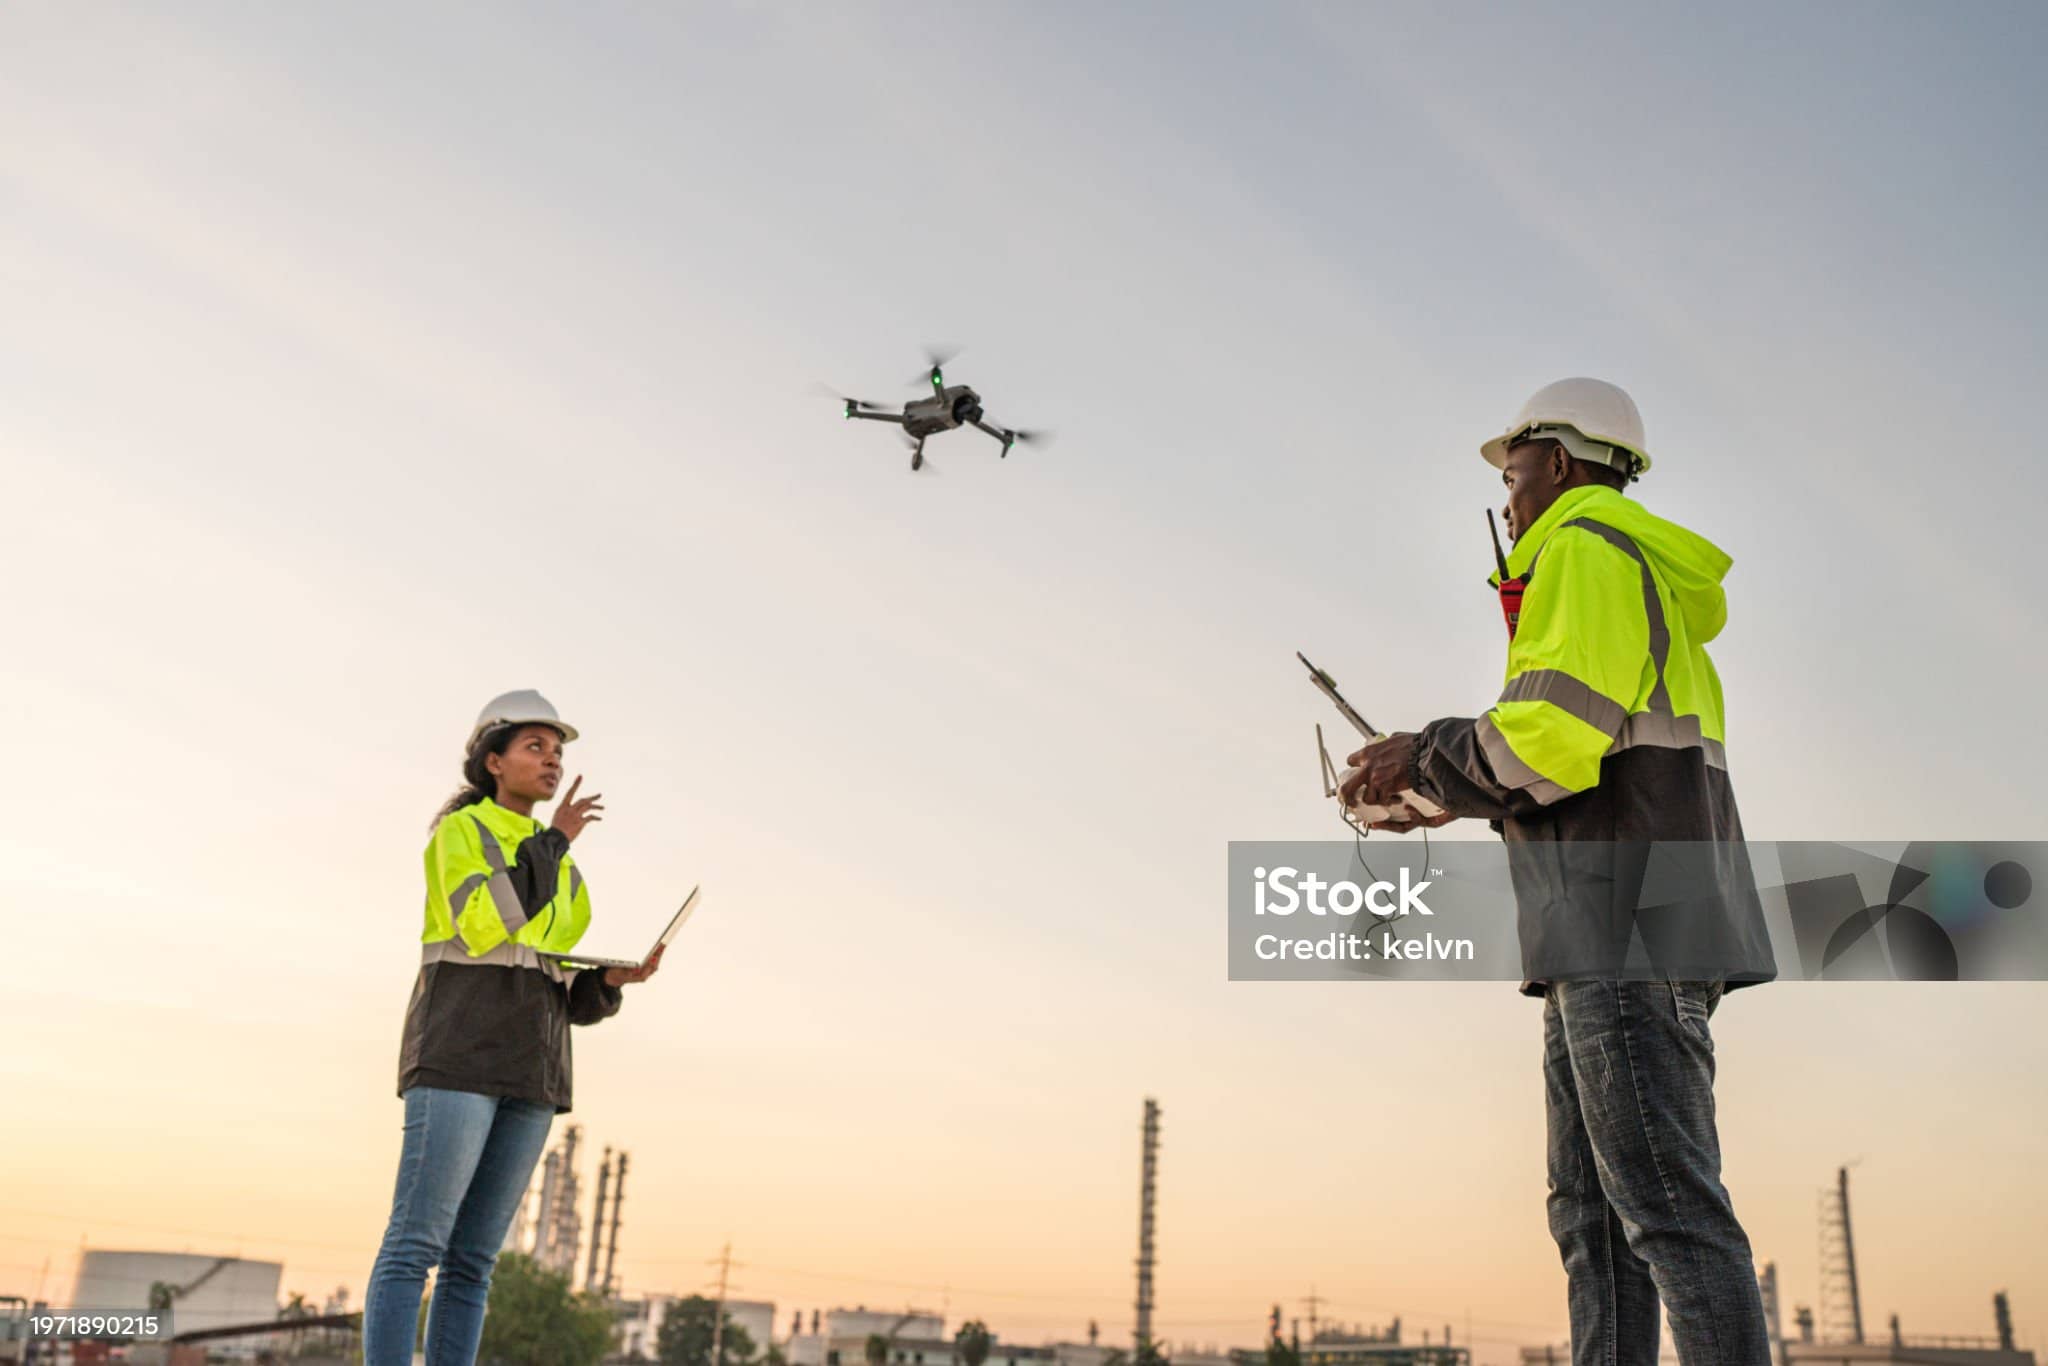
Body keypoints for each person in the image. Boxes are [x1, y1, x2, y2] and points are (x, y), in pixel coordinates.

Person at [1341, 379, 1775, 1364]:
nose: (1504, 490)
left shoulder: (1582, 549)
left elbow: (1551, 738)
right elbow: (1570, 758)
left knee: (1662, 1211)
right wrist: (1445, 792)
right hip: (1607, 922)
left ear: (1562, 461)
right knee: (1595, 1221)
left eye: (1512, 466)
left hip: (1626, 920)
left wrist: (1425, 756)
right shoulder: (1626, 571)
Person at [363, 689, 665, 1366]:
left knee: (474, 1262)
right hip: (458, 1060)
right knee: (416, 1245)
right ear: (492, 760)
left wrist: (610, 983)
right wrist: (556, 838)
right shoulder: (460, 835)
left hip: (533, 1075)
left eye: (558, 752)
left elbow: (556, 987)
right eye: (536, 746)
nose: (552, 760)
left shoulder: (564, 867)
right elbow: (487, 922)